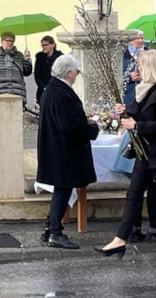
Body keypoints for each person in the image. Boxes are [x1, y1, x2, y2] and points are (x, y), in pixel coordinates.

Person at [95, 50, 156, 259]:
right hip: (145, 154)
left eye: (140, 65)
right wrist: (125, 110)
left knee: (140, 194)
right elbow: (139, 110)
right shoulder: (144, 90)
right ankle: (119, 240)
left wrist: (137, 124)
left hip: (154, 153)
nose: (137, 69)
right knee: (133, 195)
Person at [36, 54, 98, 250]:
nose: (77, 75)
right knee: (63, 190)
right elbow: (69, 126)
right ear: (69, 72)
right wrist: (91, 129)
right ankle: (54, 231)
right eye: (77, 72)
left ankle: (50, 228)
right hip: (63, 150)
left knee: (62, 190)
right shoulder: (61, 93)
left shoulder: (52, 89)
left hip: (57, 148)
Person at [0, 31, 32, 102]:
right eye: (7, 40)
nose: (9, 43)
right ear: (2, 41)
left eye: (12, 41)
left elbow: (27, 72)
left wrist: (27, 61)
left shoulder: (19, 55)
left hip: (17, 93)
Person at [33, 36, 63, 104]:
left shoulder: (60, 57)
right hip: (43, 89)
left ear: (53, 45)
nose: (44, 47)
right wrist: (44, 87)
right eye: (42, 45)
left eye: (46, 45)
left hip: (57, 89)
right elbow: (37, 75)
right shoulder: (40, 57)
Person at [122, 30, 146, 105]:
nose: (140, 40)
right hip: (128, 94)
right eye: (138, 38)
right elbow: (116, 73)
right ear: (130, 40)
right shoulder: (122, 54)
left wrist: (142, 75)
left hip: (144, 93)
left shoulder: (148, 53)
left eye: (142, 38)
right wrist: (129, 76)